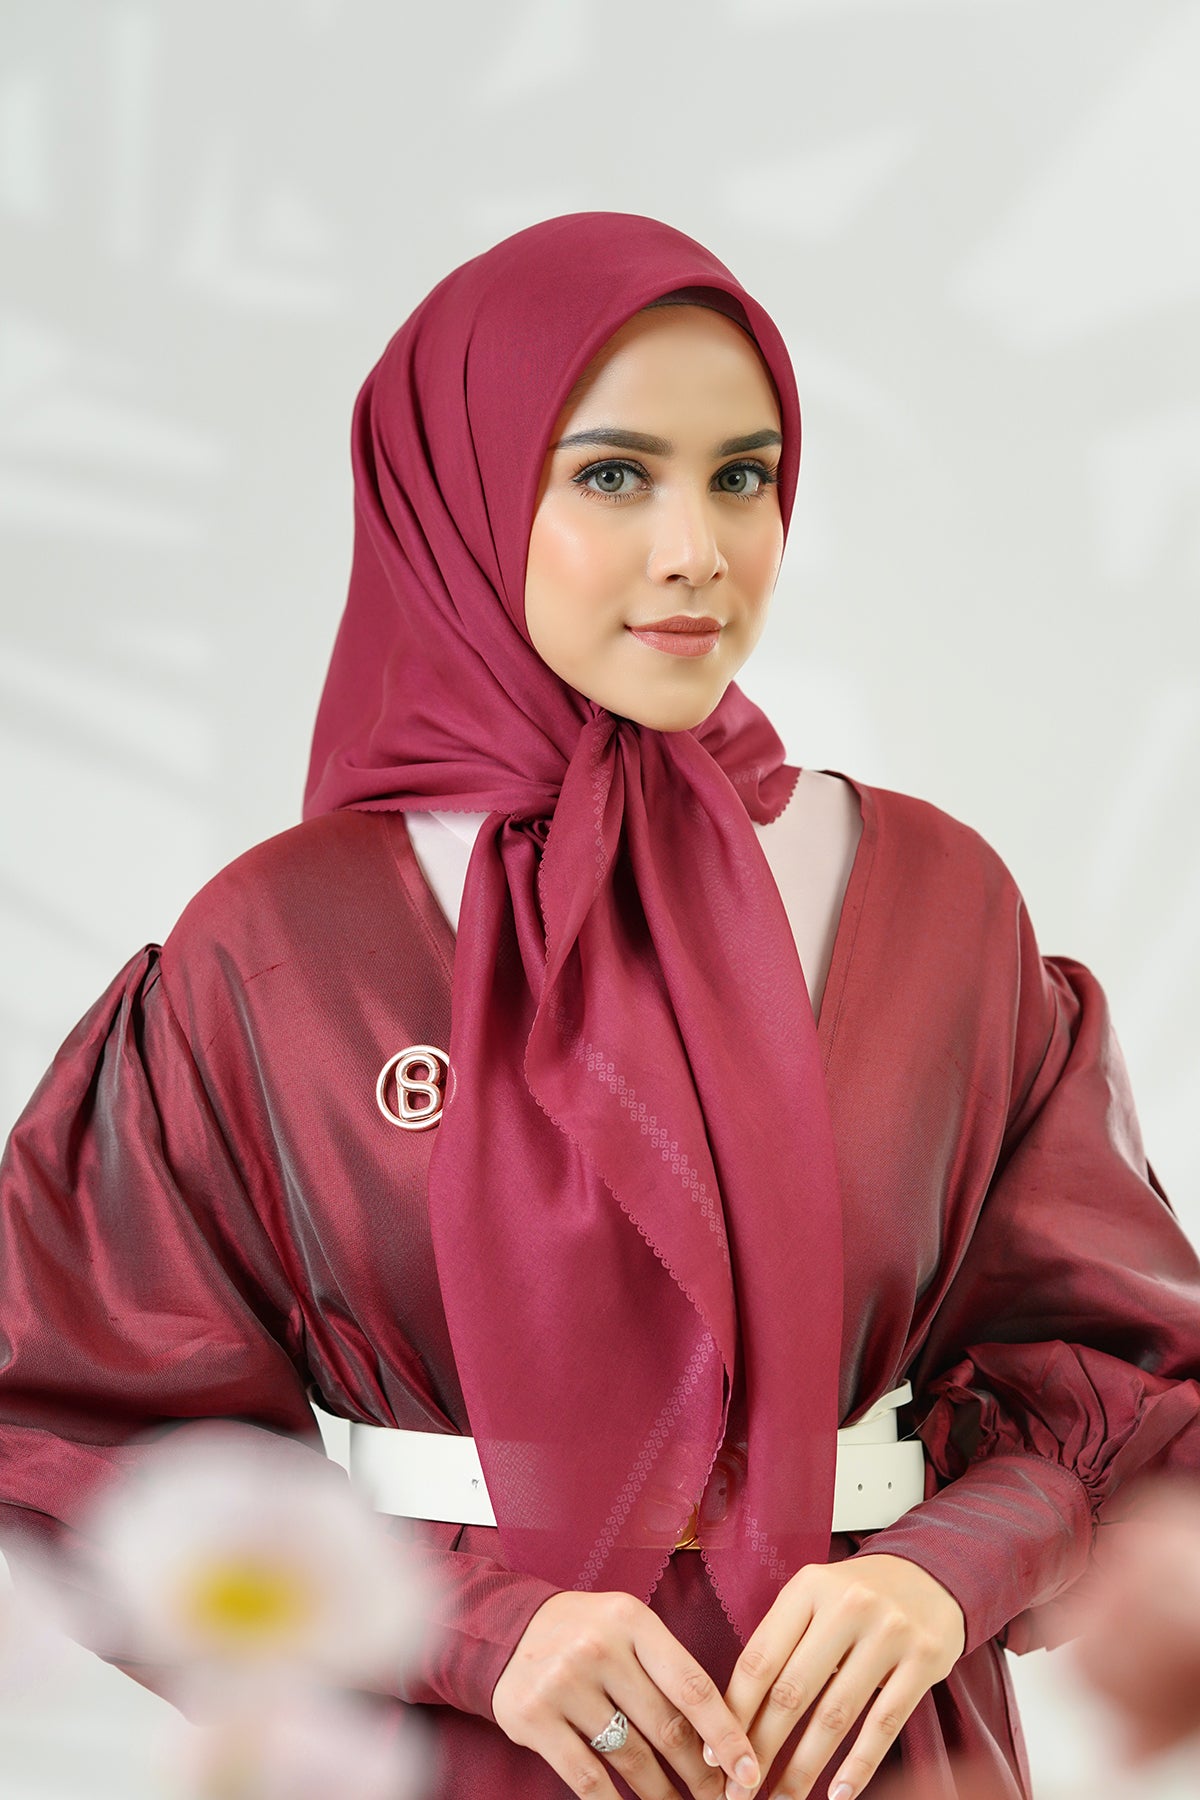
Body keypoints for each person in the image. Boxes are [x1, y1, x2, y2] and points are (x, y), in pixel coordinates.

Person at [1, 212, 1199, 1800]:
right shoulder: (278, 944)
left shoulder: (937, 904)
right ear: (462, 492)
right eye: (615, 474)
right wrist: (467, 1623)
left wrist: (944, 1568)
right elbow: (75, 1438)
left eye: (744, 475)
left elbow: (1122, 1378)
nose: (698, 549)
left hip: (868, 1747)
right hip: (445, 1752)